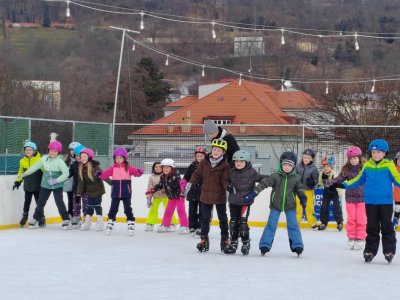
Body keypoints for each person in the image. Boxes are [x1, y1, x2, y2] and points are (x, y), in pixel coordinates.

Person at [343, 139, 400, 263]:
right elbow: (359, 179)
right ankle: (370, 250)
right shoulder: (367, 165)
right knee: (372, 227)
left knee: (387, 226)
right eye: (373, 152)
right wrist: (346, 185)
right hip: (370, 202)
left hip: (385, 202)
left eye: (378, 152)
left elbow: (397, 178)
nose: (375, 154)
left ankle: (389, 250)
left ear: (385, 153)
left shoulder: (388, 165)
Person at [244, 151, 306, 257]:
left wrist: (303, 197)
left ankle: (297, 245)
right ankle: (265, 245)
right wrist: (254, 192)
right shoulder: (275, 176)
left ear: (293, 166)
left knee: (293, 225)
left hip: (290, 205)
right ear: (281, 165)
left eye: (289, 165)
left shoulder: (296, 178)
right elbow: (263, 184)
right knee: (271, 225)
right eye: (285, 164)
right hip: (275, 205)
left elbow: (300, 189)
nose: (286, 167)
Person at [186, 138, 230, 252]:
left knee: (223, 219)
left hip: (220, 196)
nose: (216, 152)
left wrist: (229, 187)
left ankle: (225, 239)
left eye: (219, 150)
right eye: (215, 149)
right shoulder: (204, 162)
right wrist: (190, 183)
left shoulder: (225, 165)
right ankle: (204, 239)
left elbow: (225, 180)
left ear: (223, 153)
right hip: (205, 194)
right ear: (212, 150)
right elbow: (197, 174)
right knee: (204, 219)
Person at [224, 150, 268, 255]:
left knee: (243, 223)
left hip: (245, 202)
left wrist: (254, 192)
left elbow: (263, 180)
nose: (238, 163)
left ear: (247, 162)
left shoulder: (252, 172)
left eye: (241, 161)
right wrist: (228, 186)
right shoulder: (232, 171)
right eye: (237, 161)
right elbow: (224, 180)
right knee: (233, 223)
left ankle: (245, 243)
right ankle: (234, 243)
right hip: (233, 201)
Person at [22, 140, 71, 229]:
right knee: (40, 202)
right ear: (49, 150)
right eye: (51, 150)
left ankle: (66, 219)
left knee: (59, 202)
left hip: (57, 185)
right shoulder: (44, 158)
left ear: (58, 152)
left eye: (55, 151)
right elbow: (35, 166)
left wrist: (56, 180)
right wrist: (26, 173)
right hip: (45, 184)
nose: (53, 153)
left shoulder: (60, 161)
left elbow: (66, 173)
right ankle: (35, 218)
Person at [98, 147, 143, 236]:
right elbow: (104, 175)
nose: (118, 160)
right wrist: (99, 174)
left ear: (124, 159)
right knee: (113, 209)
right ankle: (110, 221)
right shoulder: (112, 168)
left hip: (126, 193)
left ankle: (131, 222)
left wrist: (140, 172)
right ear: (115, 158)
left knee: (127, 209)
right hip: (115, 193)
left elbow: (136, 173)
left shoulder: (128, 168)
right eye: (117, 158)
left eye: (120, 158)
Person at [328, 146, 366, 249]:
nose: (353, 160)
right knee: (351, 219)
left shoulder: (364, 169)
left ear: (359, 158)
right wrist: (331, 183)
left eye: (355, 158)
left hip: (362, 198)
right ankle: (352, 236)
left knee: (361, 219)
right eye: (351, 159)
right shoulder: (347, 169)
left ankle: (361, 237)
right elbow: (339, 178)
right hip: (350, 198)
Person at [146, 158, 189, 233]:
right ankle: (166, 225)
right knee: (168, 211)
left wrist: (181, 193)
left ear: (172, 168)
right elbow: (160, 186)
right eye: (164, 167)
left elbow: (180, 185)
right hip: (171, 197)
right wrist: (152, 190)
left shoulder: (175, 176)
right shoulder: (163, 177)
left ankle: (185, 226)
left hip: (179, 196)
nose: (165, 169)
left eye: (167, 167)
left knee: (180, 210)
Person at [76, 148, 107, 232]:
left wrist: (112, 183)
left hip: (98, 190)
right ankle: (87, 223)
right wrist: (78, 194)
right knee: (89, 207)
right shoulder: (81, 168)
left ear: (89, 157)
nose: (82, 158)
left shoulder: (95, 167)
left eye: (84, 156)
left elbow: (103, 176)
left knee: (97, 206)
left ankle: (100, 223)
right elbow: (80, 182)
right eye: (81, 157)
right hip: (89, 191)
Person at [13, 141, 43, 227]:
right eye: (26, 150)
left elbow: (45, 171)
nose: (28, 151)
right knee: (27, 202)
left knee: (39, 203)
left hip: (38, 185)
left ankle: (41, 217)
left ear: (34, 151)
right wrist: (18, 181)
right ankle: (25, 216)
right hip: (28, 186)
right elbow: (21, 172)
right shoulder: (22, 161)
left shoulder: (40, 160)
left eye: (30, 150)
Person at [144, 162, 179, 231]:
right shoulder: (151, 177)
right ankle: (150, 223)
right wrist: (149, 195)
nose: (157, 168)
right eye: (155, 167)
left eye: (159, 167)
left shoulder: (165, 176)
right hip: (156, 196)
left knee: (168, 210)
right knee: (153, 210)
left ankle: (173, 223)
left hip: (165, 196)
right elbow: (150, 186)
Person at [181, 146, 207, 236]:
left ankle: (200, 227)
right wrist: (183, 183)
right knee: (192, 210)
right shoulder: (192, 166)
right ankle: (192, 226)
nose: (199, 158)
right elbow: (186, 176)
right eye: (198, 156)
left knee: (202, 211)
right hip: (193, 191)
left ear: (205, 156)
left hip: (203, 192)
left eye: (201, 156)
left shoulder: (207, 166)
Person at [317, 156, 343, 231]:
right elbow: (320, 182)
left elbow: (338, 184)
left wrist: (340, 193)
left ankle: (339, 222)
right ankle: (324, 223)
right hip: (326, 192)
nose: (326, 168)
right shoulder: (322, 174)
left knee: (336, 207)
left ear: (331, 167)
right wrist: (319, 185)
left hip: (335, 192)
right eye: (324, 166)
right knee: (324, 207)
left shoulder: (334, 174)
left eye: (328, 166)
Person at [295, 148, 319, 229]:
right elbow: (294, 176)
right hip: (298, 190)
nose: (306, 159)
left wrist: (312, 183)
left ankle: (312, 223)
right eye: (305, 157)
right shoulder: (298, 166)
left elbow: (316, 180)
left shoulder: (314, 168)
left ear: (311, 159)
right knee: (298, 207)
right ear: (302, 157)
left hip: (308, 190)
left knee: (309, 207)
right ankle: (296, 222)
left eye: (308, 158)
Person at [69, 145, 88, 229]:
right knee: (76, 204)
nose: (78, 157)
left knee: (86, 205)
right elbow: (69, 174)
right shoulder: (73, 165)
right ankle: (76, 218)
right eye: (76, 156)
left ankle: (86, 219)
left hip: (86, 190)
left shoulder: (88, 165)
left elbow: (96, 173)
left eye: (79, 156)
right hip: (76, 189)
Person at [63, 142, 81, 218]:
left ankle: (77, 215)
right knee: (70, 200)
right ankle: (70, 213)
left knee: (78, 201)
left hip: (79, 185)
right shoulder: (67, 161)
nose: (73, 152)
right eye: (71, 150)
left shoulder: (82, 160)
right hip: (69, 185)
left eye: (75, 150)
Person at [392, 151, 400, 229]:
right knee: (397, 209)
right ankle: (395, 221)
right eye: (398, 159)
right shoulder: (394, 169)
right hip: (397, 195)